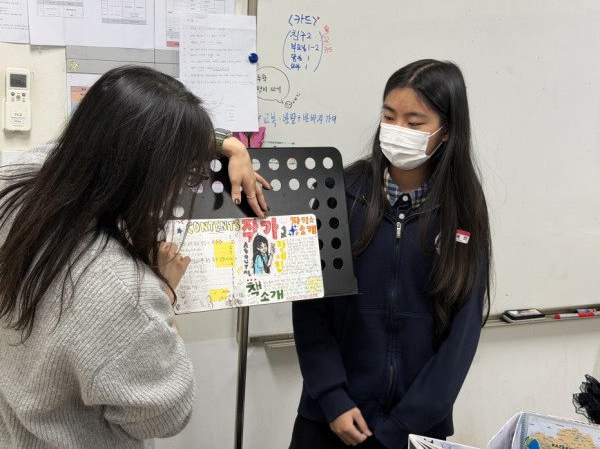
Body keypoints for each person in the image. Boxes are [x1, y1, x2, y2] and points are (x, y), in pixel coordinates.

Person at [0, 65, 269, 448]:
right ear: (150, 173)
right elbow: (167, 413)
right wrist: (165, 292)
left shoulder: (16, 183)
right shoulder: (124, 288)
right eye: (184, 173)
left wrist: (230, 145)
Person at [290, 59, 492, 449]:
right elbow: (310, 305)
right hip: (330, 420)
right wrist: (332, 398)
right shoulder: (341, 193)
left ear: (447, 131)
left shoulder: (463, 210)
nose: (398, 130)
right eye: (389, 117)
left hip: (414, 430)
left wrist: (403, 425)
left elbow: (463, 332)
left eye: (414, 123)